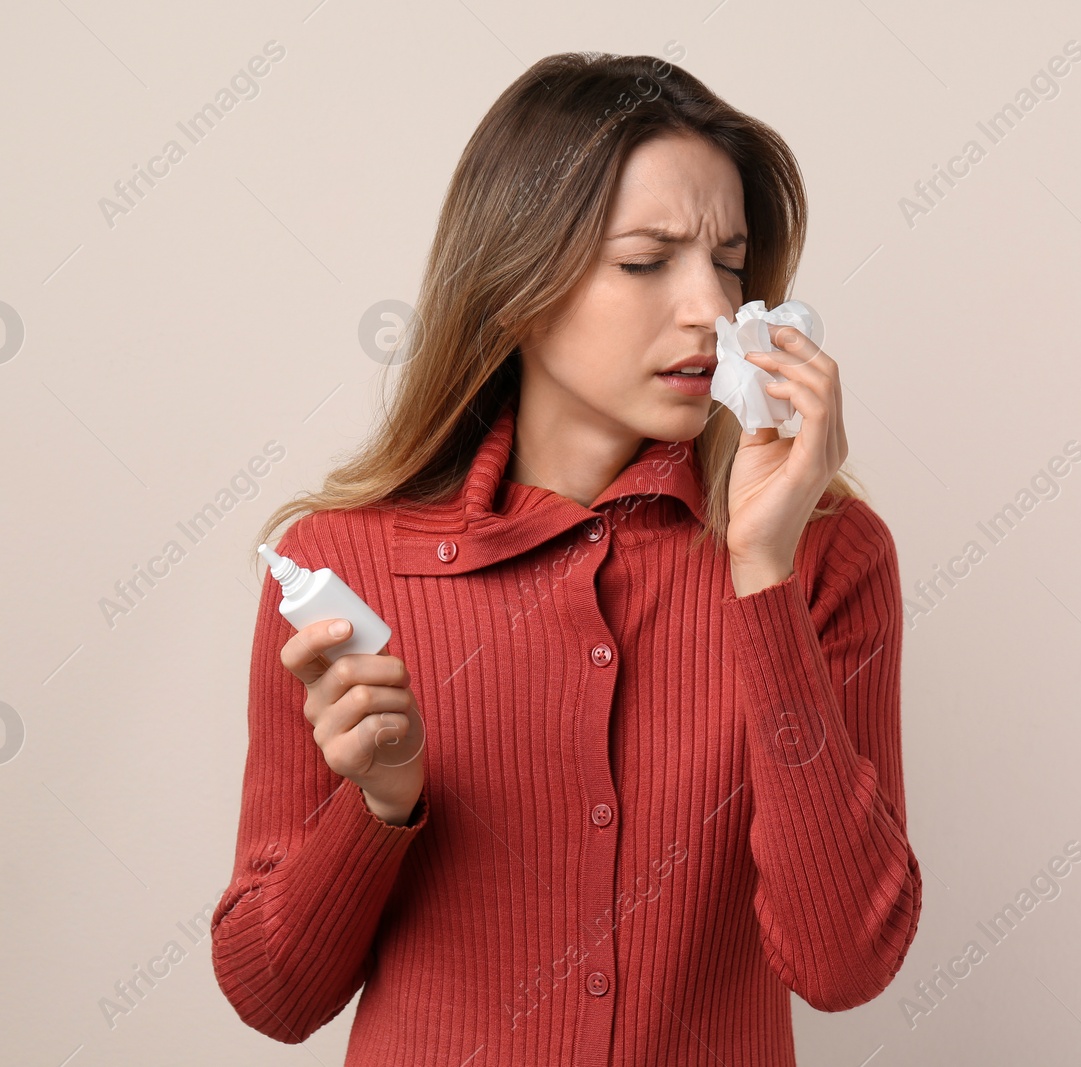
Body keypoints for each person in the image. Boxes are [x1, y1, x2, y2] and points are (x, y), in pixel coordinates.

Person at [211, 50, 921, 1066]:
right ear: (518, 280)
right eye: (646, 260)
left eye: (729, 260)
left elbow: (844, 961)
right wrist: (382, 803)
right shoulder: (340, 563)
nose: (710, 310)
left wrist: (762, 573)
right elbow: (273, 993)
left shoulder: (826, 554)